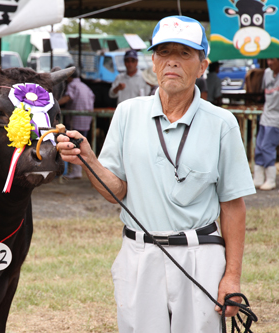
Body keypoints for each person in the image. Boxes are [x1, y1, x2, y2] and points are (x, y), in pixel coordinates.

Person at [57, 15, 255, 332]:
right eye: (164, 52)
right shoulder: (128, 113)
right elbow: (114, 193)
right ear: (153, 61)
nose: (172, 62)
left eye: (184, 53)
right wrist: (89, 160)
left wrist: (231, 276)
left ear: (202, 66)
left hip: (200, 255)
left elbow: (233, 206)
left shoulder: (222, 123)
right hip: (138, 253)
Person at [58, 68, 95, 179]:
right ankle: (79, 170)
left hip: (75, 121)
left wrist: (53, 103)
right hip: (86, 120)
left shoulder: (72, 85)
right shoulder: (85, 87)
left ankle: (74, 171)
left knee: (71, 146)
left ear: (69, 77)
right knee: (81, 146)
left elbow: (68, 97)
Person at [252, 58, 279, 191]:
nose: (269, 62)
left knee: (267, 147)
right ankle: (258, 177)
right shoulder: (267, 73)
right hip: (265, 116)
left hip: (276, 119)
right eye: (268, 59)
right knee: (259, 146)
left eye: (272, 60)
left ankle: (271, 179)